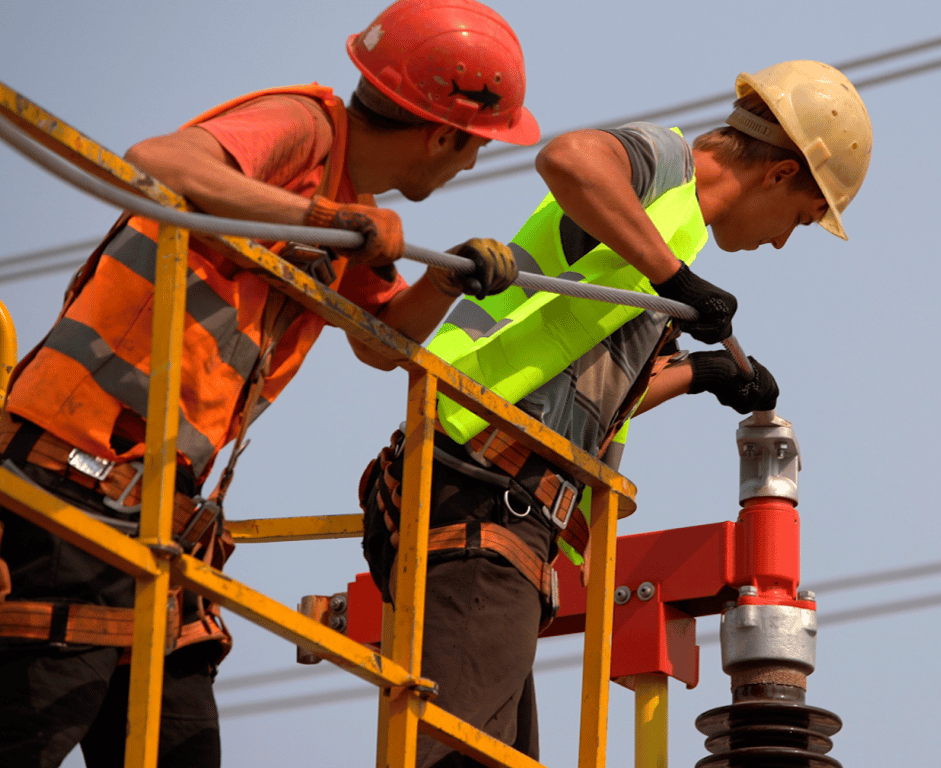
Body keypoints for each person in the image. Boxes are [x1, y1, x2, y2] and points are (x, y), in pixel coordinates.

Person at [0, 1, 539, 766]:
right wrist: (318, 214)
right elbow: (160, 161)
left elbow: (379, 343)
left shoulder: (353, 211)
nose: (473, 163)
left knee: (181, 745)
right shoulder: (305, 129)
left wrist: (453, 276)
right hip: (74, 473)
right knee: (31, 727)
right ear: (443, 133)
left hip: (155, 512)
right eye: (476, 146)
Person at [358, 60, 873, 767]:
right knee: (455, 756)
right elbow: (567, 157)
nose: (784, 240)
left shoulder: (666, 234)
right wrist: (675, 278)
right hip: (475, 489)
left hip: (507, 513)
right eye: (802, 219)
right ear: (781, 174)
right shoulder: (664, 167)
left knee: (497, 756)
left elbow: (581, 383)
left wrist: (699, 374)